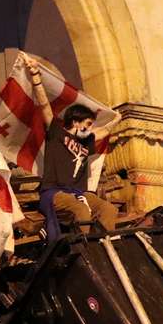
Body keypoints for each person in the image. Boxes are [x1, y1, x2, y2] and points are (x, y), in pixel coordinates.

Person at [22, 55, 120, 238]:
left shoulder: (86, 142)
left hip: (79, 193)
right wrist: (36, 77)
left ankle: (106, 246)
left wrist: (116, 120)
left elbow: (102, 132)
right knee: (81, 210)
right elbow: (44, 106)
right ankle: (85, 251)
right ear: (75, 122)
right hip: (54, 193)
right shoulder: (56, 132)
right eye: (88, 123)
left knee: (108, 210)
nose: (91, 128)